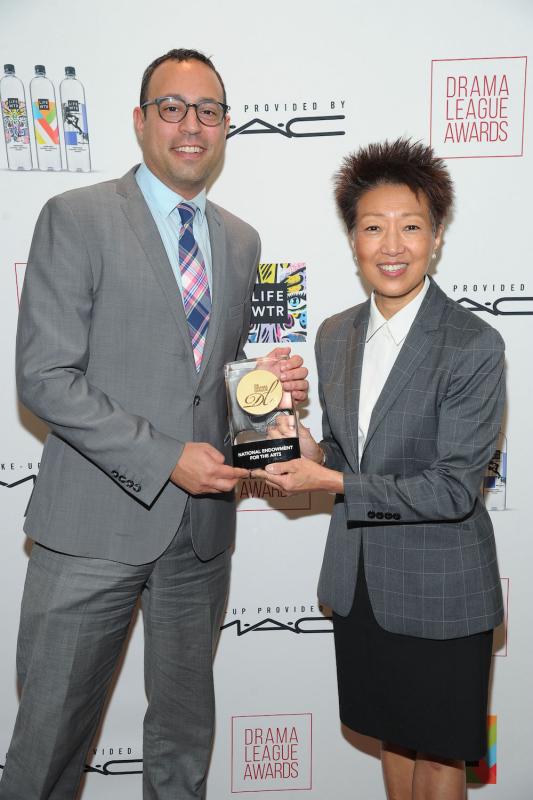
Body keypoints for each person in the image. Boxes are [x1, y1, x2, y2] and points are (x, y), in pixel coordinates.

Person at [0, 48, 308, 800]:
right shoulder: (75, 217)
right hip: (91, 531)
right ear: (140, 122)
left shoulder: (241, 241)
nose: (191, 125)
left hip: (199, 538)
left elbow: (213, 383)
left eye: (208, 110)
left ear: (227, 126)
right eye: (172, 107)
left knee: (181, 744)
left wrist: (265, 388)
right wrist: (166, 457)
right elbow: (44, 377)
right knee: (48, 743)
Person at [255, 138, 504, 800]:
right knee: (392, 737)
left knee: (440, 758)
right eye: (372, 227)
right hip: (362, 583)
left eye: (410, 226)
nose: (391, 245)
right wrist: (305, 450)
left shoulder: (472, 344)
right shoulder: (334, 334)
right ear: (352, 239)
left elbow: (453, 489)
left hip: (442, 588)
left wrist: (330, 483)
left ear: (437, 236)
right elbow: (343, 453)